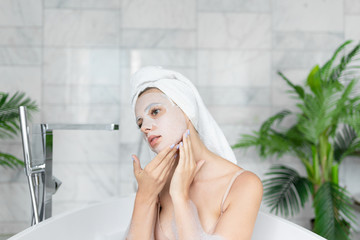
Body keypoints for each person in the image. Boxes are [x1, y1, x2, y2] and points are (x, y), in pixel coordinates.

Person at [126, 66, 263, 240]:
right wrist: (144, 195)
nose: (145, 128)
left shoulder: (242, 185)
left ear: (186, 108)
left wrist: (181, 197)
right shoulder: (155, 183)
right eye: (140, 123)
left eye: (155, 111)